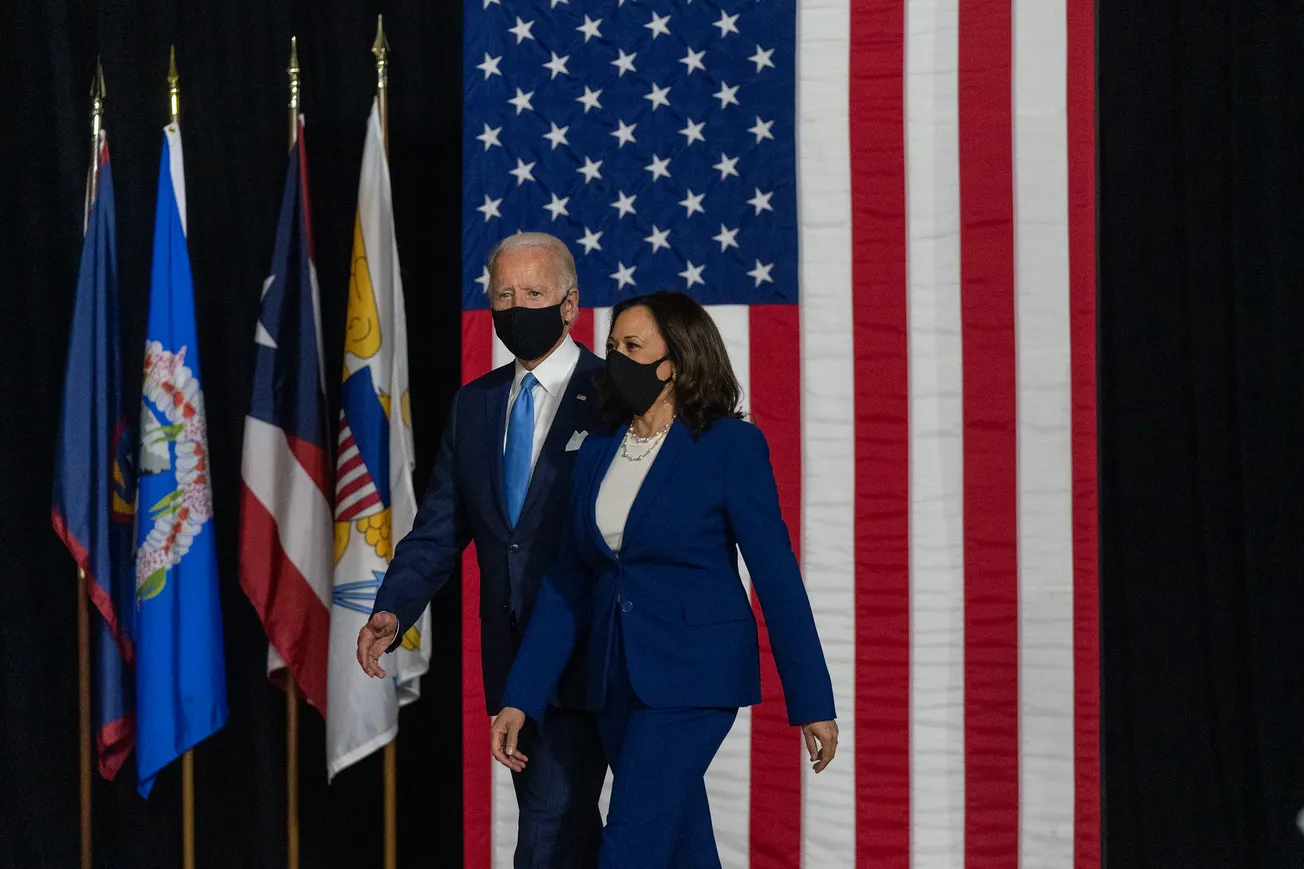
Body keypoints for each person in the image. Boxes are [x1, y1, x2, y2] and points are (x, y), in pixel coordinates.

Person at [490, 291, 839, 868]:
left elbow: (776, 578)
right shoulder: (597, 449)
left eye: (632, 346)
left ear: (673, 361)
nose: (615, 358)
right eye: (611, 346)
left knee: (631, 845)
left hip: (694, 679)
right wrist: (520, 697)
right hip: (615, 681)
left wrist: (812, 699)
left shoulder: (730, 445)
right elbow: (565, 584)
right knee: (683, 849)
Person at [356, 232, 608, 868]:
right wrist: (394, 607)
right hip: (516, 663)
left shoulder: (612, 399)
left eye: (533, 293)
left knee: (554, 836)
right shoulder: (476, 404)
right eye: (504, 294)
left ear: (571, 304)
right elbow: (441, 524)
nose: (516, 306)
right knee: (563, 830)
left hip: (597, 652)